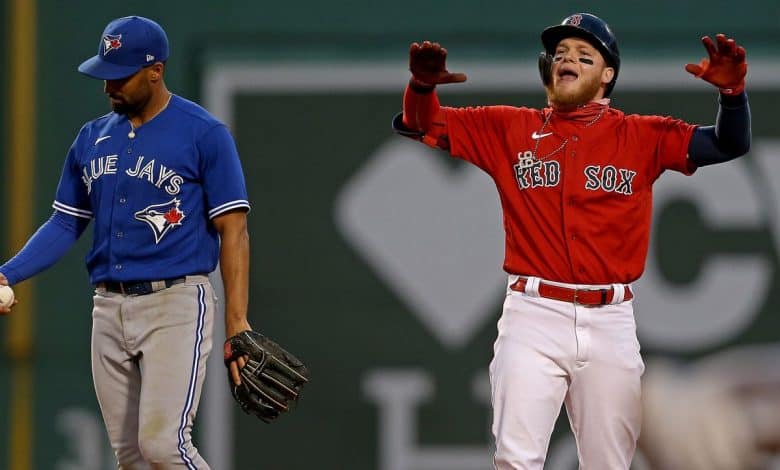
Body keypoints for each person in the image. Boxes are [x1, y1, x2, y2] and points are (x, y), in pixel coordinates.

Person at [392, 12, 750, 470]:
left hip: (611, 322)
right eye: (560, 54)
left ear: (607, 75)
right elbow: (421, 123)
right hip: (533, 316)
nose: (568, 60)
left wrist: (732, 94)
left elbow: (727, 144)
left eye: (584, 55)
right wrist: (421, 87)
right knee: (515, 460)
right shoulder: (510, 128)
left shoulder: (642, 135)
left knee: (610, 464)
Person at [0, 16, 252, 468]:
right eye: (105, 75)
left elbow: (233, 229)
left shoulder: (203, 133)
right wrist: (6, 273)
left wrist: (237, 322)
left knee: (163, 447)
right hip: (108, 308)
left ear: (155, 70)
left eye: (120, 75)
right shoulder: (92, 138)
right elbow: (64, 223)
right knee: (132, 457)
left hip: (174, 301)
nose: (108, 86)